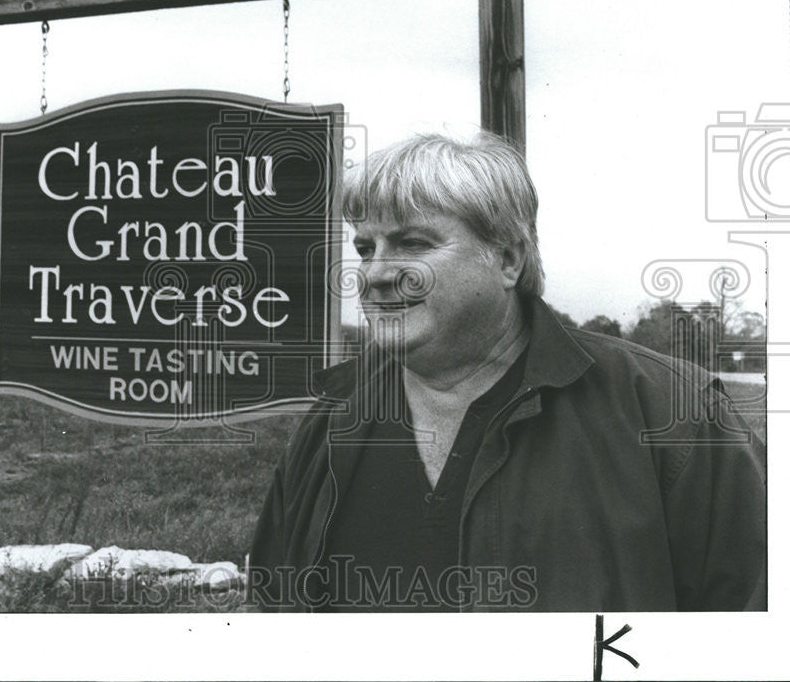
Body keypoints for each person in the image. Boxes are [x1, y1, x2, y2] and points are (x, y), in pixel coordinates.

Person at [248, 131, 766, 612]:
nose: (375, 273)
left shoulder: (675, 415)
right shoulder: (333, 419)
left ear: (508, 261)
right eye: (366, 248)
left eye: (413, 244)